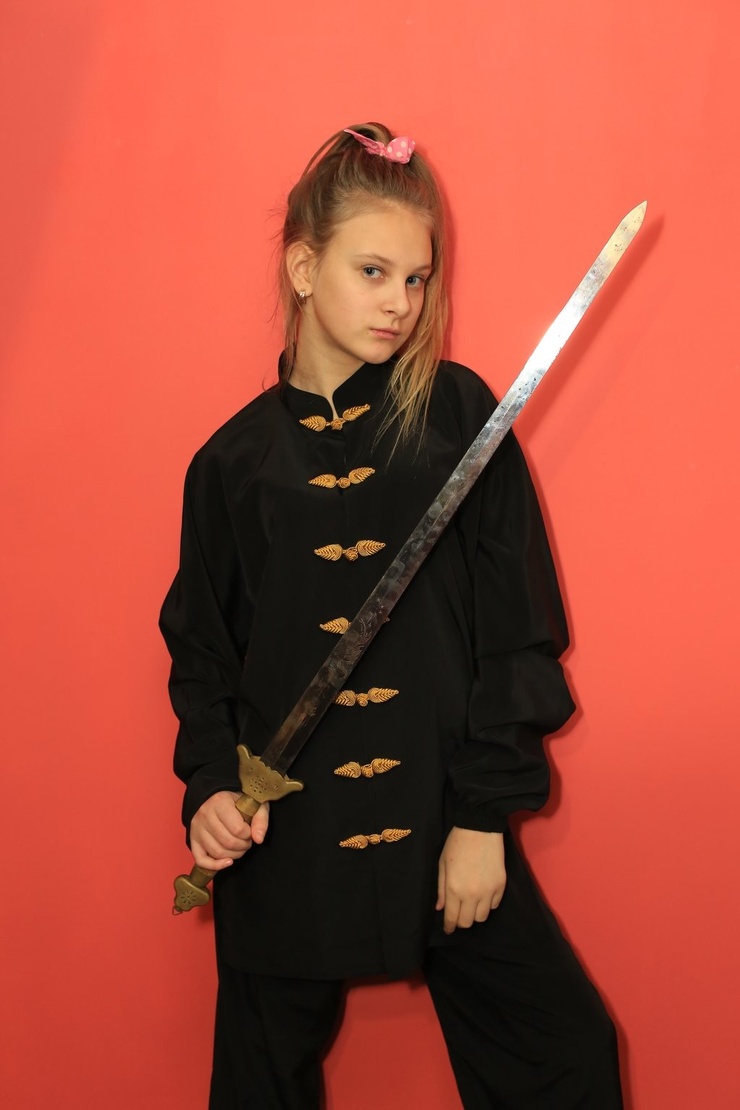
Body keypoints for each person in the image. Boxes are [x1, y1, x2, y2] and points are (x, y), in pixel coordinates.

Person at [160, 122, 623, 1109]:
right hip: (286, 837)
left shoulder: (456, 417)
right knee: (258, 1086)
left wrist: (480, 818)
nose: (399, 303)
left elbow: (516, 629)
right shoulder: (230, 467)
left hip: (438, 817)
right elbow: (202, 656)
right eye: (372, 271)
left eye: (416, 278)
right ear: (303, 268)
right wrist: (209, 787)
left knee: (566, 1053)